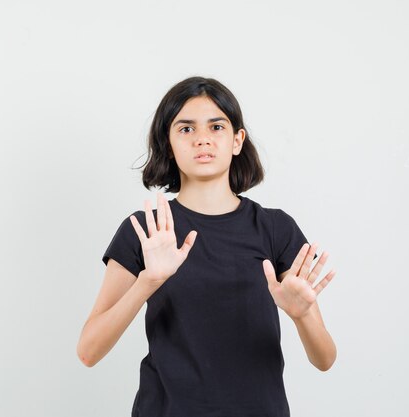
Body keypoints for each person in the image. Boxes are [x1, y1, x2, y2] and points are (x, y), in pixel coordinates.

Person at [76, 76, 337, 416]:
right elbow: (88, 351)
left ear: (237, 140)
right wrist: (147, 283)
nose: (202, 139)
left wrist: (302, 315)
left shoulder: (275, 229)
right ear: (168, 143)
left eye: (216, 127)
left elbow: (325, 359)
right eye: (185, 129)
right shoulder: (147, 230)